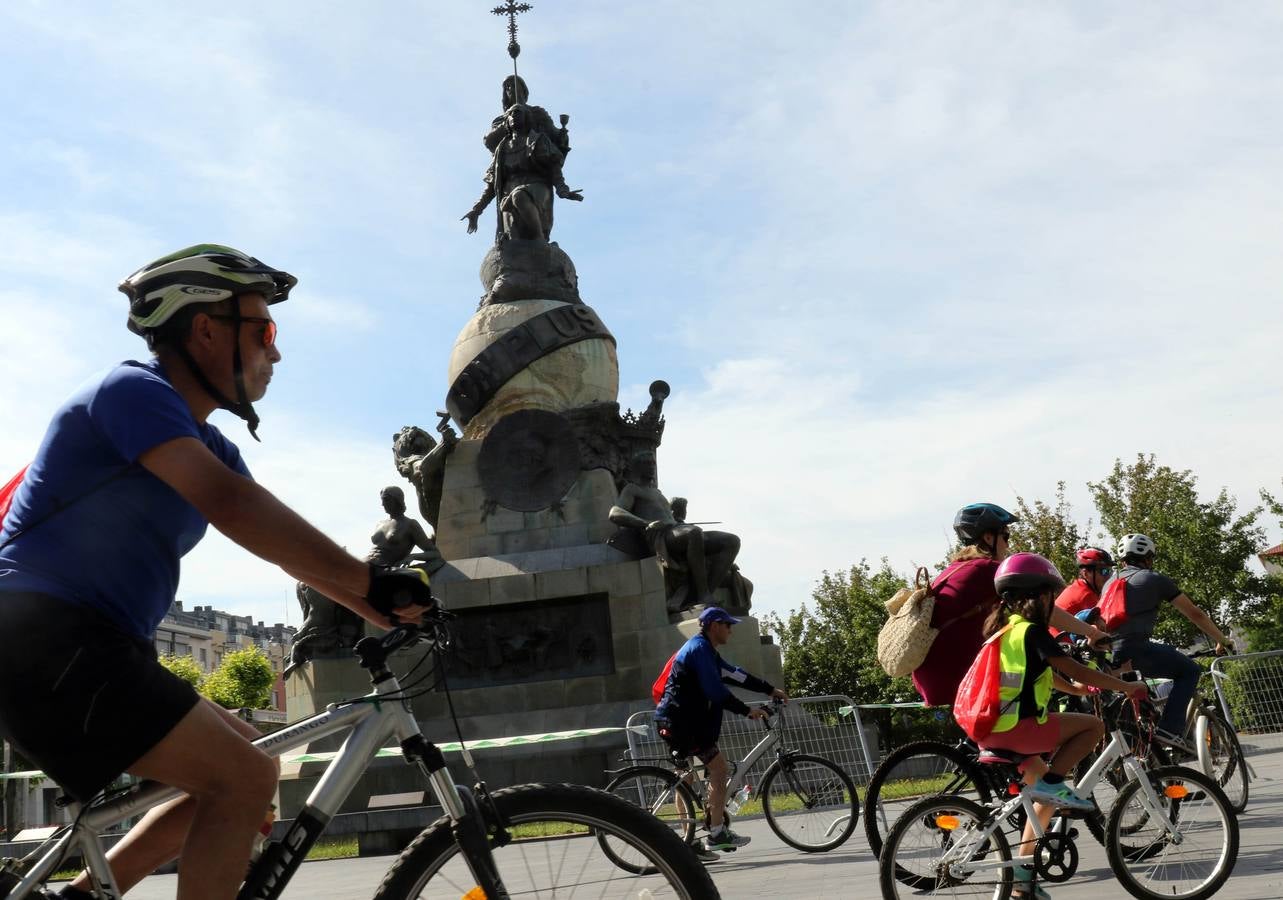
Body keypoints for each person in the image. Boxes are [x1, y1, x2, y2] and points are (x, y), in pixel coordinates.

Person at [0, 245, 434, 900]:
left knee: (251, 770)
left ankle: (83, 895)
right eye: (264, 331)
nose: (275, 354)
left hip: (94, 646)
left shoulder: (210, 443)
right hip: (46, 641)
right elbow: (232, 506)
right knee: (242, 778)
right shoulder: (130, 392)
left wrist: (382, 606)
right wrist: (367, 581)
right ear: (204, 328)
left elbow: (277, 543)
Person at [975, 553, 1147, 900]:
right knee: (1093, 727)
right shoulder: (1032, 631)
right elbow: (1072, 665)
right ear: (1038, 596)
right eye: (1050, 596)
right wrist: (1125, 686)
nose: (1053, 602)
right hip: (1018, 728)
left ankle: (1022, 885)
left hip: (993, 728)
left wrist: (1076, 690)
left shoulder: (1006, 628)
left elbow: (1046, 673)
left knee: (1043, 802)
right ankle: (1055, 784)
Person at [912, 503, 1109, 706]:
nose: (1007, 545)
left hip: (933, 676)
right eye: (1005, 536)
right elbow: (1044, 611)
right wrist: (1092, 633)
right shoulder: (987, 570)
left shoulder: (953, 571)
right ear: (989, 538)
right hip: (958, 675)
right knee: (1031, 716)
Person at [653, 607, 787, 853]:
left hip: (679, 722)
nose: (731, 630)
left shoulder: (706, 651)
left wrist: (768, 689)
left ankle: (689, 842)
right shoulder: (699, 650)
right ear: (715, 625)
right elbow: (716, 691)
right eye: (728, 625)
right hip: (682, 724)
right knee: (718, 769)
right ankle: (716, 833)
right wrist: (747, 710)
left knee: (687, 778)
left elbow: (736, 675)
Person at [1106, 533, 1233, 751]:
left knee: (1142, 702)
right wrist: (1221, 639)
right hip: (1136, 649)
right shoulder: (1153, 579)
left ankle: (1148, 743)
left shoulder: (1110, 582)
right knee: (1189, 671)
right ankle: (1168, 731)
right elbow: (1195, 614)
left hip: (1111, 654)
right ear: (1147, 557)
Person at [609, 450, 741, 612]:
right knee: (694, 533)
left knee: (731, 541)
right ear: (637, 468)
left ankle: (701, 594)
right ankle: (703, 595)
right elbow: (615, 513)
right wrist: (646, 523)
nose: (652, 467)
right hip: (662, 537)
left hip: (677, 530)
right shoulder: (632, 489)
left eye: (653, 463)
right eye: (647, 464)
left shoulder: (658, 493)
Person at [1049, 546, 1114, 636]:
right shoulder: (1084, 595)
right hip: (1060, 642)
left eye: (1110, 571)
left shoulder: (1082, 587)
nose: (1108, 576)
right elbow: (1103, 626)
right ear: (1086, 573)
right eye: (1104, 571)